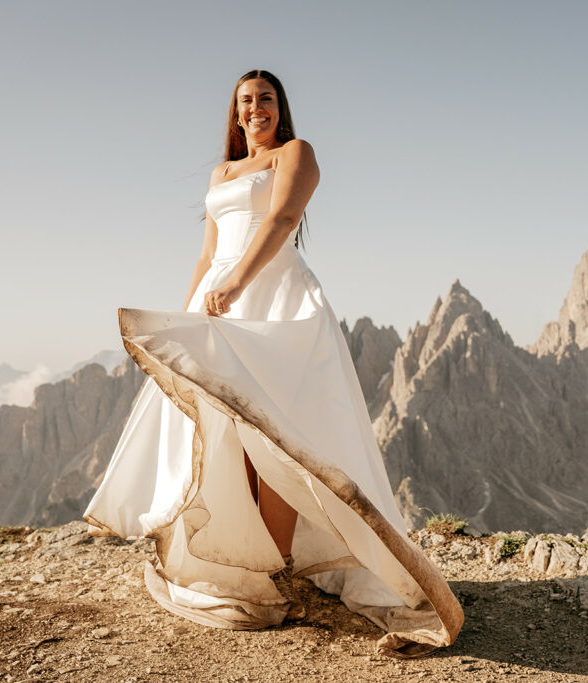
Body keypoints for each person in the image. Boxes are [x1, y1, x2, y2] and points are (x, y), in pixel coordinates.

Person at [83, 69, 463, 658]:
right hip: (218, 300)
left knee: (277, 437)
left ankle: (281, 566)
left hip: (275, 299)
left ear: (280, 107)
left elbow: (283, 219)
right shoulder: (221, 173)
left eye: (265, 98)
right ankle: (255, 561)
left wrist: (237, 282)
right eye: (245, 100)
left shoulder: (296, 153)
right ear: (235, 113)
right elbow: (208, 251)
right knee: (230, 435)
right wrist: (188, 314)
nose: (255, 107)